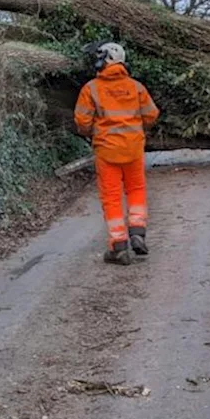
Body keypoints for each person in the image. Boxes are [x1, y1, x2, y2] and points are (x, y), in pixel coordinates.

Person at [73, 42, 160, 265]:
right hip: (133, 148)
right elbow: (151, 115)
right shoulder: (136, 87)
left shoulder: (90, 89)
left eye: (100, 57)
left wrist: (93, 132)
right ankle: (138, 232)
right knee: (136, 189)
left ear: (108, 59)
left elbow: (82, 122)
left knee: (111, 197)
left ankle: (119, 246)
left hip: (106, 150)